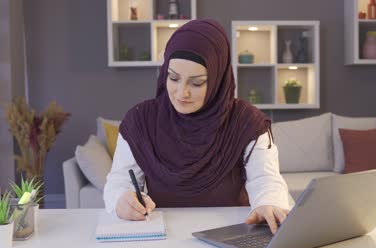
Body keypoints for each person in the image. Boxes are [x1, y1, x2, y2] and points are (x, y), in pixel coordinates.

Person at [103, 19, 290, 234]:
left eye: (197, 82)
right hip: (164, 240)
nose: (182, 93)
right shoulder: (141, 122)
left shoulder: (246, 122)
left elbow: (265, 178)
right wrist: (121, 200)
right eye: (173, 78)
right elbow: (119, 181)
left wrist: (268, 203)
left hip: (230, 237)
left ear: (218, 78)